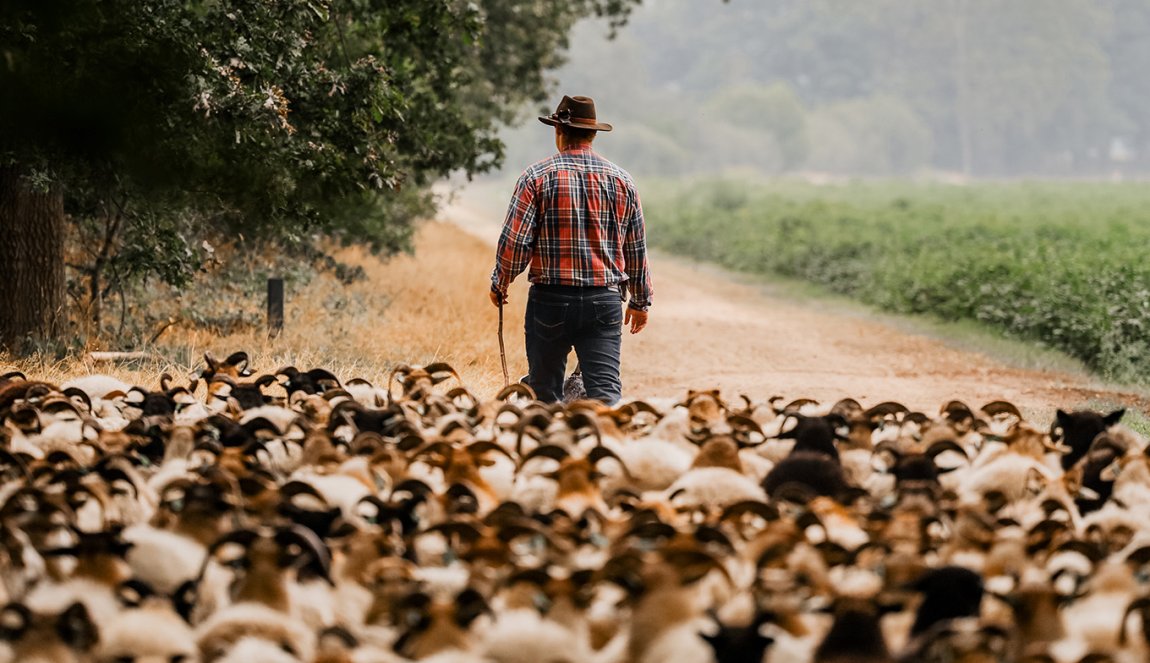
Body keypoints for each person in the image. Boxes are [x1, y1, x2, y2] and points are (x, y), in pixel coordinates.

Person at [489, 94, 652, 405]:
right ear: (592, 134)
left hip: (550, 299)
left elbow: (515, 243)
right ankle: (602, 443)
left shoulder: (536, 177)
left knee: (544, 393)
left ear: (558, 132)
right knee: (604, 394)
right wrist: (640, 302)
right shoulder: (623, 181)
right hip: (604, 300)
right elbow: (636, 248)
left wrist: (500, 281)